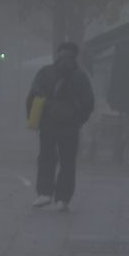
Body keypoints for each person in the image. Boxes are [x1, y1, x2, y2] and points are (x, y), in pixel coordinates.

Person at [25, 41, 96, 211]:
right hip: (70, 126)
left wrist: (35, 119)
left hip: (48, 124)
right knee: (68, 161)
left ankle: (44, 193)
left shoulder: (45, 73)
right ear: (75, 55)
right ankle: (63, 199)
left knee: (46, 157)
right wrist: (79, 120)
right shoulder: (80, 76)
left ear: (58, 54)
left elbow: (32, 97)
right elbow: (88, 102)